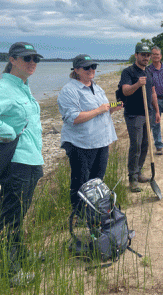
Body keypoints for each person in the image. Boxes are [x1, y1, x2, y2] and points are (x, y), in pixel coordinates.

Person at [0, 42, 44, 284]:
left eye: (35, 58)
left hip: (31, 158)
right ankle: (8, 271)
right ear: (12, 60)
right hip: (16, 162)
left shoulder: (23, 87)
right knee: (10, 217)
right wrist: (7, 132)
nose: (32, 62)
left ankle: (20, 255)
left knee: (19, 214)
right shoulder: (4, 87)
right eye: (26, 58)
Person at [57, 54, 123, 212]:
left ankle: (95, 211)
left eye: (94, 67)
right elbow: (72, 118)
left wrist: (112, 108)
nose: (91, 70)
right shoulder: (69, 91)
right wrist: (99, 109)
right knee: (81, 182)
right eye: (87, 67)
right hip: (81, 143)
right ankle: (79, 214)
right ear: (77, 70)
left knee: (97, 181)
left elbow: (102, 111)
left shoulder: (96, 87)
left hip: (101, 141)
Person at [119, 44, 161, 192]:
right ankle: (132, 178)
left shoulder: (149, 72)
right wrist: (138, 84)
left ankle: (139, 171)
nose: (146, 57)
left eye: (148, 55)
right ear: (136, 55)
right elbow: (125, 91)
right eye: (143, 55)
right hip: (134, 114)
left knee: (145, 144)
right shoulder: (128, 72)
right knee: (135, 145)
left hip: (147, 113)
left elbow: (153, 93)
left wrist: (156, 111)